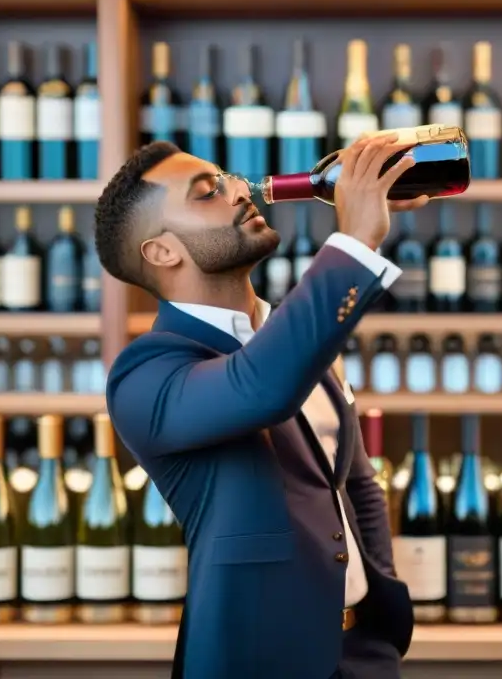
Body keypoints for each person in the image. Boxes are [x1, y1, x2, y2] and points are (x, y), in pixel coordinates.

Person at [96, 133, 425, 679]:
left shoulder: (292, 337)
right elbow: (261, 388)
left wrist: (379, 617)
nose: (238, 190)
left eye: (227, 178)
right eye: (207, 193)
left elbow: (355, 485)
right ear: (162, 251)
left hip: (365, 654)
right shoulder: (145, 376)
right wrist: (357, 241)